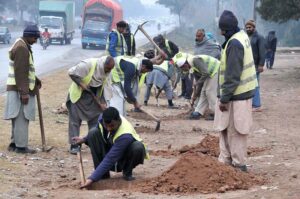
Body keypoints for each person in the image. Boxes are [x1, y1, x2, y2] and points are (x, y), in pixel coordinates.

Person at [214, 10, 257, 172]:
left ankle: (238, 164)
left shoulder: (234, 44)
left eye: (222, 30)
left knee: (236, 130)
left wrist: (224, 98)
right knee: (224, 128)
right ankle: (225, 161)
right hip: (237, 94)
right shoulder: (241, 36)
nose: (221, 33)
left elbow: (232, 75)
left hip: (235, 96)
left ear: (227, 30)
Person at [72, 107, 149, 188]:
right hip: (112, 148)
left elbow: (111, 158)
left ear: (119, 121)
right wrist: (84, 139)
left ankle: (127, 171)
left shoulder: (125, 134)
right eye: (106, 126)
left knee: (137, 147)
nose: (109, 129)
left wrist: (92, 178)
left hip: (123, 157)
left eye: (112, 126)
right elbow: (99, 128)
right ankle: (103, 175)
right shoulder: (103, 118)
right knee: (93, 132)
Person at [4, 25, 41, 154]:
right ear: (29, 36)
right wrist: (24, 93)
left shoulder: (21, 44)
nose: (36, 40)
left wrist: (35, 79)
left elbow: (25, 68)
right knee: (21, 117)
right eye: (35, 37)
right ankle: (21, 147)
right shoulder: (22, 48)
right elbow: (20, 72)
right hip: (20, 88)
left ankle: (14, 144)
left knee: (16, 116)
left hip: (17, 87)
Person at [66, 56, 115, 154]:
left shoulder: (107, 72)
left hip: (94, 96)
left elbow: (107, 87)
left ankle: (92, 142)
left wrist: (104, 102)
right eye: (107, 69)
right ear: (103, 65)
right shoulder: (88, 64)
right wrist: (81, 84)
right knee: (75, 121)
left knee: (94, 121)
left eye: (110, 69)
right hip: (79, 96)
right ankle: (75, 145)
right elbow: (71, 72)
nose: (108, 71)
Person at [174, 52, 220, 120]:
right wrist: (195, 95)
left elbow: (205, 73)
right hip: (210, 73)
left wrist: (197, 83)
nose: (185, 70)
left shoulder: (195, 60)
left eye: (183, 69)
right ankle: (198, 112)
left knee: (210, 92)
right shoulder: (193, 67)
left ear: (185, 65)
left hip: (216, 69)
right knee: (203, 92)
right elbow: (200, 84)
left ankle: (217, 114)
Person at [245, 20, 265, 112]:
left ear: (254, 28)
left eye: (250, 27)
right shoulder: (246, 37)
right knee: (249, 84)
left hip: (256, 65)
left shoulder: (259, 37)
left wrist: (261, 64)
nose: (248, 29)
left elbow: (262, 51)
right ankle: (252, 103)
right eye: (247, 27)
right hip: (248, 65)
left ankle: (257, 105)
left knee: (255, 85)